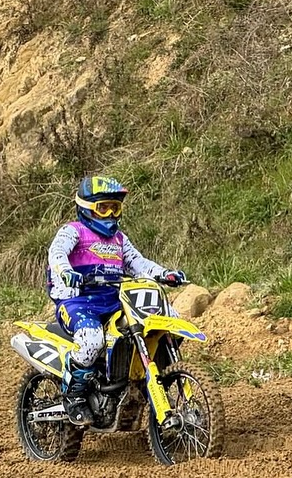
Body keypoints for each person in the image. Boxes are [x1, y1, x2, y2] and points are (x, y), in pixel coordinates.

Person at [47, 175, 186, 426]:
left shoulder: (119, 239)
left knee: (170, 319)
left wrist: (164, 273)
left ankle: (152, 375)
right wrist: (66, 271)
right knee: (92, 339)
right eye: (103, 208)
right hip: (78, 302)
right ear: (86, 208)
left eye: (115, 207)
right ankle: (74, 396)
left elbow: (138, 263)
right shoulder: (73, 231)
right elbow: (57, 253)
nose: (110, 214)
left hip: (114, 299)